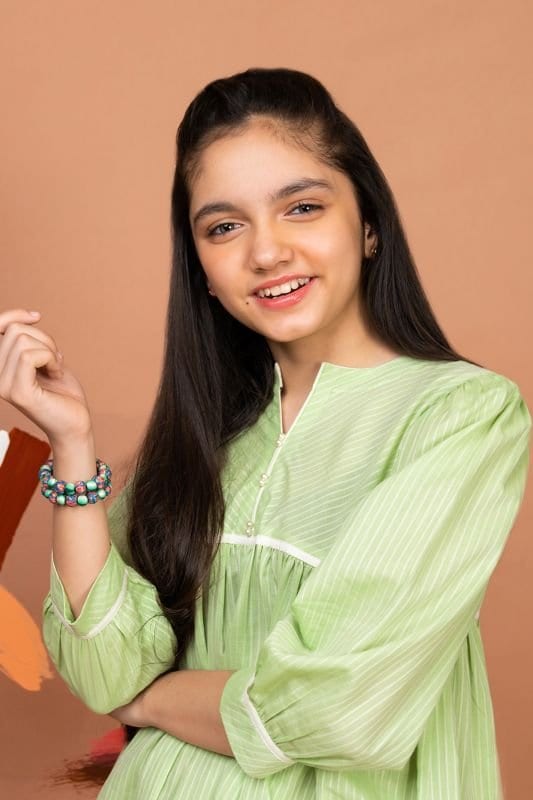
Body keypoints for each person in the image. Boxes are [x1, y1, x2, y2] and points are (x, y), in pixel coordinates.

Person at [0, 67, 529, 799]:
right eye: (224, 227)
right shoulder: (202, 438)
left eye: (302, 208)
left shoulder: (461, 414)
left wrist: (153, 702)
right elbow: (105, 671)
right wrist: (72, 445)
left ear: (369, 225)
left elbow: (338, 705)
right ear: (201, 269)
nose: (267, 252)